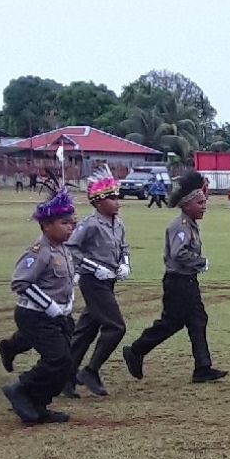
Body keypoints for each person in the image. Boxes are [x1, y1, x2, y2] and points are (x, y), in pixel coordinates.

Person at [122, 171, 228, 384]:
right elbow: (178, 253)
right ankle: (136, 350)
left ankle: (203, 367)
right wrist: (201, 262)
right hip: (178, 282)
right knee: (171, 323)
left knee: (198, 320)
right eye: (200, 203)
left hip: (188, 281)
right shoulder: (180, 226)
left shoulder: (189, 224)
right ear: (186, 205)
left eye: (204, 202)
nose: (203, 206)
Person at [1, 178, 77, 424]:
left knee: (65, 362)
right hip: (34, 315)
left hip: (57, 315)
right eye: (64, 223)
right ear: (46, 226)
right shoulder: (40, 251)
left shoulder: (63, 249)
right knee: (57, 358)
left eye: (72, 222)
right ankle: (21, 389)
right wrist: (50, 306)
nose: (70, 227)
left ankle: (38, 404)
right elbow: (20, 283)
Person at [66, 167, 131, 398]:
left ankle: (66, 376)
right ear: (98, 202)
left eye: (117, 197)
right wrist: (94, 267)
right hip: (93, 281)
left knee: (85, 330)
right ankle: (90, 370)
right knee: (116, 327)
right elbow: (71, 248)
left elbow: (123, 246)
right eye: (111, 198)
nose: (117, 202)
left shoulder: (118, 223)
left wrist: (124, 263)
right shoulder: (90, 224)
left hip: (109, 280)